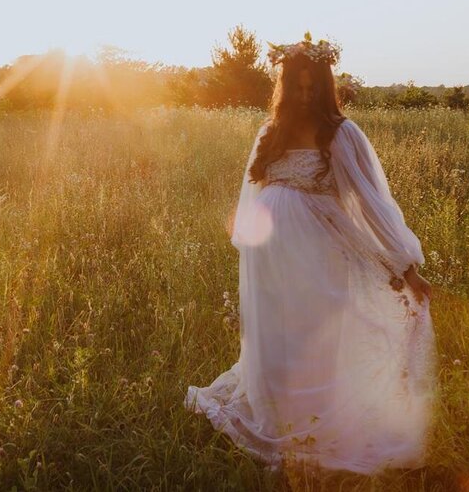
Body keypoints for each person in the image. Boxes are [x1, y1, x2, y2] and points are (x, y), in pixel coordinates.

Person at [184, 32, 438, 476]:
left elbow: (372, 205)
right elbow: (254, 190)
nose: (304, 95)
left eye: (312, 87)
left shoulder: (341, 134)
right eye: (296, 86)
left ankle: (314, 426)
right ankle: (278, 417)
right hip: (270, 254)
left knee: (316, 334)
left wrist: (405, 265)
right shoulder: (270, 131)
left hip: (318, 251)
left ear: (325, 87)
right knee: (275, 333)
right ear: (284, 85)